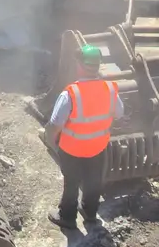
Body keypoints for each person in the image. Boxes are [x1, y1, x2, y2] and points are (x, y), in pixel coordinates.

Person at [43, 43, 124, 231]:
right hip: (97, 147)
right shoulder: (110, 90)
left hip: (72, 149)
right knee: (93, 180)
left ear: (79, 65)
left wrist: (51, 140)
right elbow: (119, 113)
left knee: (71, 182)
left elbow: (55, 125)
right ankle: (89, 213)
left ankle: (67, 217)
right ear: (98, 66)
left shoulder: (71, 93)